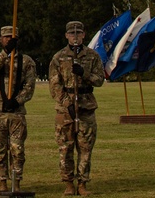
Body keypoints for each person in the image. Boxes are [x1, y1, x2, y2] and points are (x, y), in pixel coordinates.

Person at [49, 21, 105, 196]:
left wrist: (84, 73)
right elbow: (54, 86)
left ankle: (82, 183)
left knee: (85, 148)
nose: (75, 36)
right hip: (65, 110)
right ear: (66, 36)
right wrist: (67, 104)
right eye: (72, 34)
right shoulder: (58, 57)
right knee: (65, 148)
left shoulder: (92, 56)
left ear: (83, 35)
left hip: (86, 106)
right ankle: (68, 183)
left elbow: (99, 80)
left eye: (78, 33)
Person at [0, 25, 38, 193]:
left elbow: (29, 87)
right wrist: (6, 53)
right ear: (1, 39)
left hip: (16, 112)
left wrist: (17, 101)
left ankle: (16, 181)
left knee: (17, 150)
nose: (8, 39)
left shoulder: (26, 62)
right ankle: (2, 182)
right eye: (6, 37)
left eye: (11, 37)